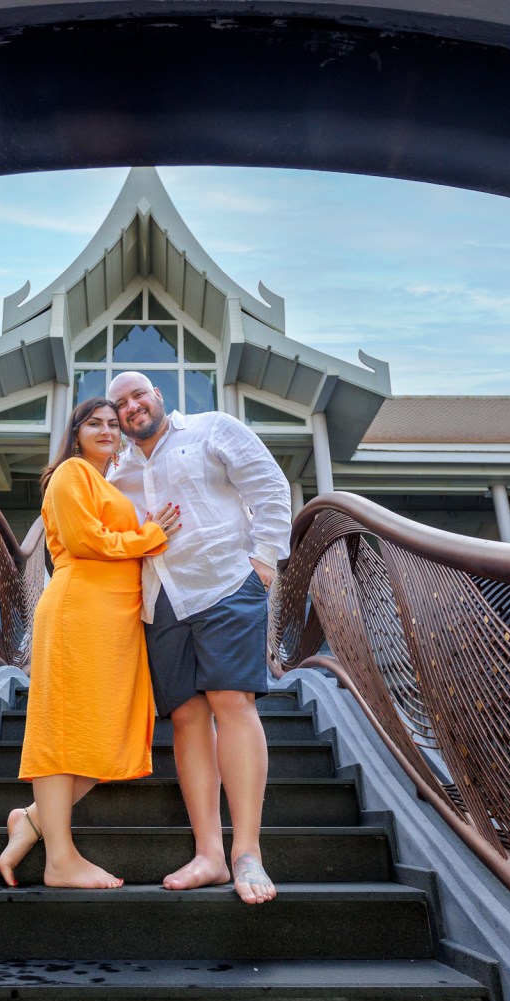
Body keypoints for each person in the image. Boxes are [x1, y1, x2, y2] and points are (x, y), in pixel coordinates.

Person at [106, 370, 291, 905]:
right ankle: (209, 854)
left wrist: (264, 561)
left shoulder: (213, 428)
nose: (132, 406)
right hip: (160, 599)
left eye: (139, 394)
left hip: (226, 583)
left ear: (158, 396)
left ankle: (246, 852)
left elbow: (269, 486)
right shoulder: (116, 472)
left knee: (232, 701)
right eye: (120, 403)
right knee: (186, 717)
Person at [0, 396, 182, 888]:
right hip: (79, 610)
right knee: (64, 730)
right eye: (93, 423)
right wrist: (149, 536)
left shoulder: (104, 481)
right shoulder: (70, 474)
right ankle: (60, 859)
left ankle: (32, 819)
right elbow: (84, 542)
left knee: (106, 735)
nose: (106, 430)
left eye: (112, 424)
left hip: (115, 621)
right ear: (75, 432)